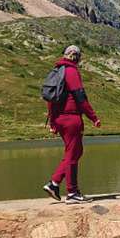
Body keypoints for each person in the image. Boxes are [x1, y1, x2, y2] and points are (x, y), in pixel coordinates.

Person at [43, 46, 102, 204]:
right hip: (71, 118)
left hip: (60, 119)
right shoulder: (70, 71)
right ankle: (72, 192)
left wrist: (53, 122)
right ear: (75, 57)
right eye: (79, 57)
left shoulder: (57, 71)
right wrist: (93, 117)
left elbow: (51, 100)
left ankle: (54, 183)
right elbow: (80, 96)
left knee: (74, 151)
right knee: (72, 153)